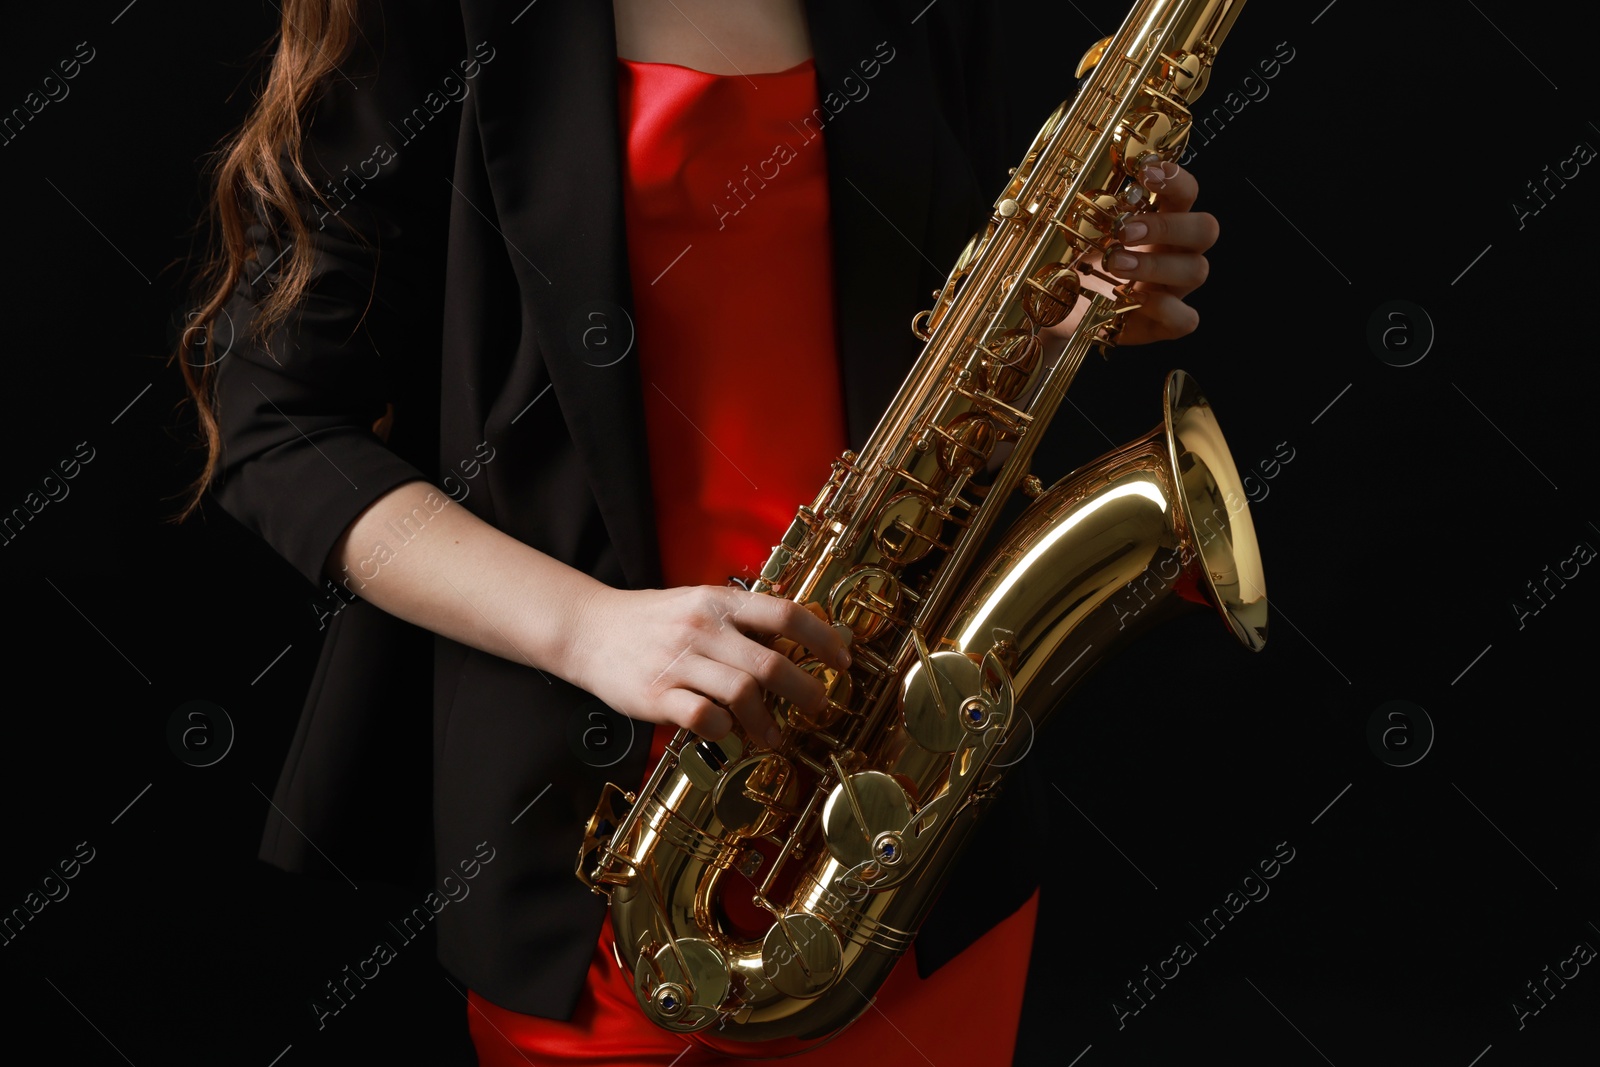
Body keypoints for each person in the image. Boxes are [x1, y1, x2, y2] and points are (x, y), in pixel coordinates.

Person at [176, 1, 1219, 1062]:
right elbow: (276, 423)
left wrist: (1072, 301)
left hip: (918, 833)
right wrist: (589, 630)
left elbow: (936, 318)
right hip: (620, 861)